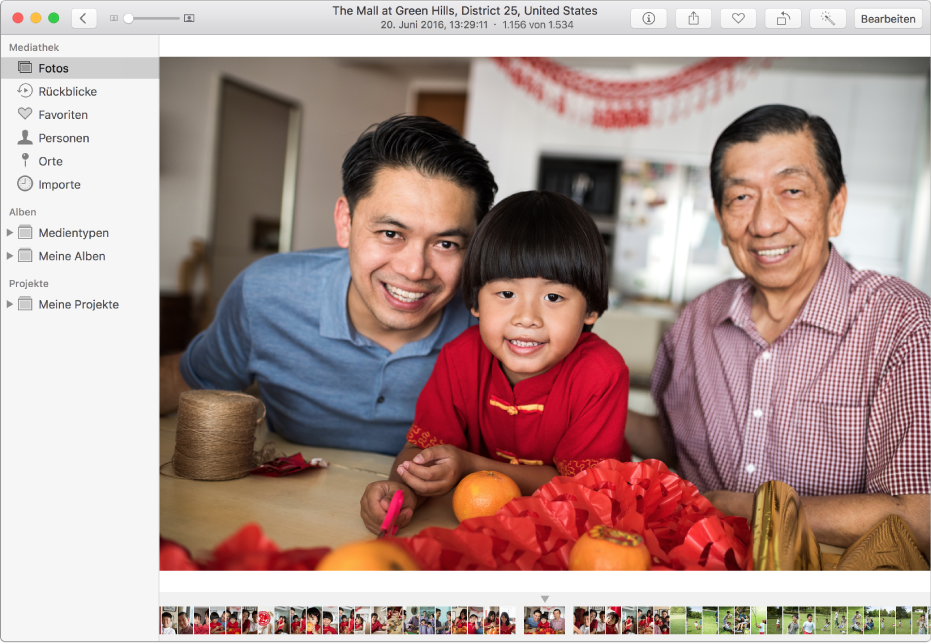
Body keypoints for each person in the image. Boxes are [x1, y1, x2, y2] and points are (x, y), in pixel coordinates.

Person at [623, 104, 931, 559]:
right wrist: (572, 394)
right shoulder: (697, 319)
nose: (765, 224)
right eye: (741, 197)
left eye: (791, 190)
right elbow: (674, 441)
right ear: (720, 218)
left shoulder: (902, 323)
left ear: (835, 208)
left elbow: (920, 517)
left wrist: (747, 510)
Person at [160, 115, 498, 454]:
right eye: (391, 234)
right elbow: (189, 380)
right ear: (345, 222)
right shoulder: (267, 292)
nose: (414, 270)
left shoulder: (498, 324)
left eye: (446, 244)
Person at [361, 190, 629, 531]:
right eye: (506, 294)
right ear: (475, 302)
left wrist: (467, 464)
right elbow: (422, 449)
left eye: (553, 296)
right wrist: (404, 492)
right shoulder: (460, 358)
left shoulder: (601, 373)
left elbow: (583, 489)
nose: (527, 317)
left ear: (590, 308)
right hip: (479, 528)